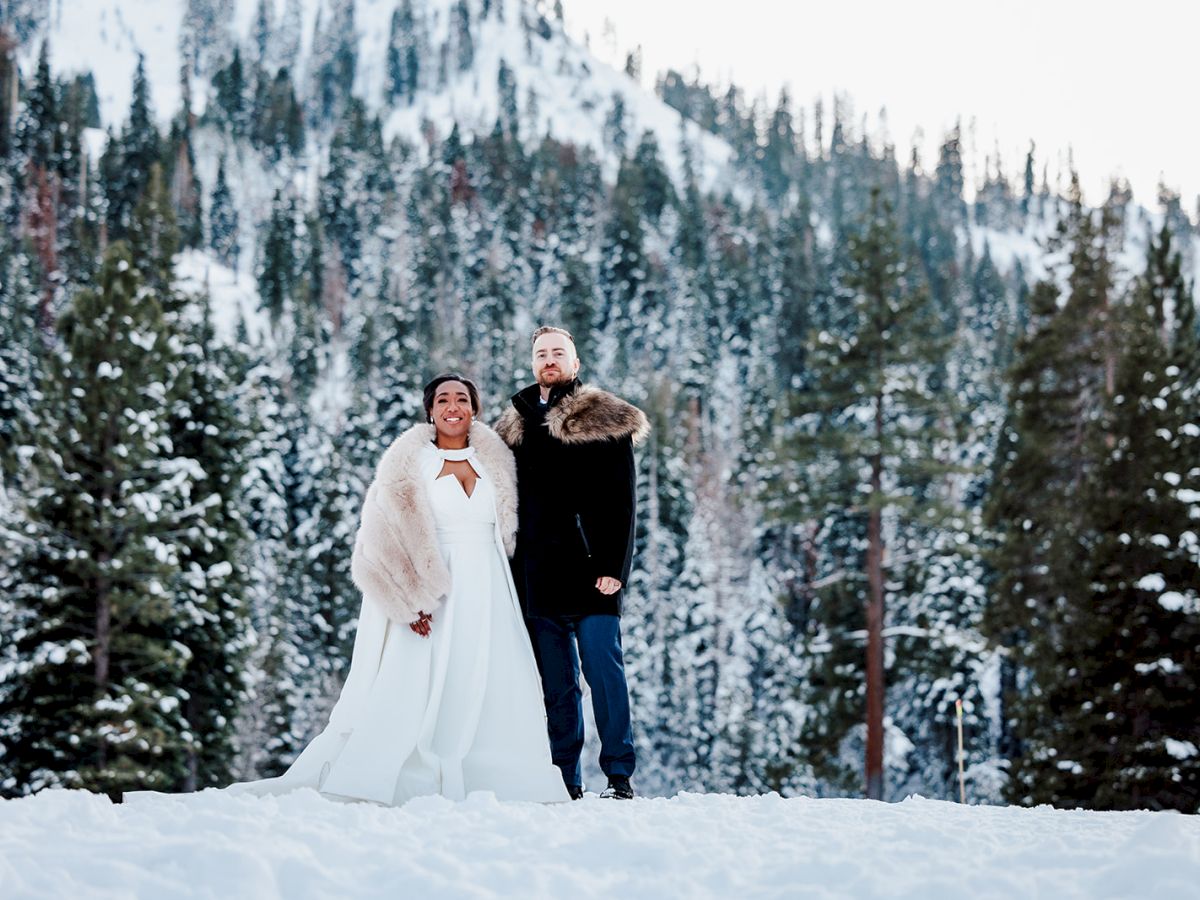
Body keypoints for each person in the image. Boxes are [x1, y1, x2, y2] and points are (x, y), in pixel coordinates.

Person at [227, 374, 569, 805]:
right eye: (442, 399)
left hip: (490, 585)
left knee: (491, 675)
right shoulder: (409, 463)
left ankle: (495, 771)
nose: (452, 406)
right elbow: (381, 536)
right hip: (434, 585)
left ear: (475, 408)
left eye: (461, 398)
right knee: (416, 681)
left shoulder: (496, 461)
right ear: (430, 409)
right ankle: (407, 770)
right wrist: (409, 600)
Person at [496, 326, 650, 800]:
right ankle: (565, 779)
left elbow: (623, 503)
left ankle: (619, 775)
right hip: (536, 574)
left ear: (575, 363)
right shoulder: (514, 426)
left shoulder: (606, 419)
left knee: (604, 672)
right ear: (532, 363)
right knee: (557, 686)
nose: (549, 360)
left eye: (558, 353)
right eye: (541, 354)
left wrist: (614, 568)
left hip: (592, 573)